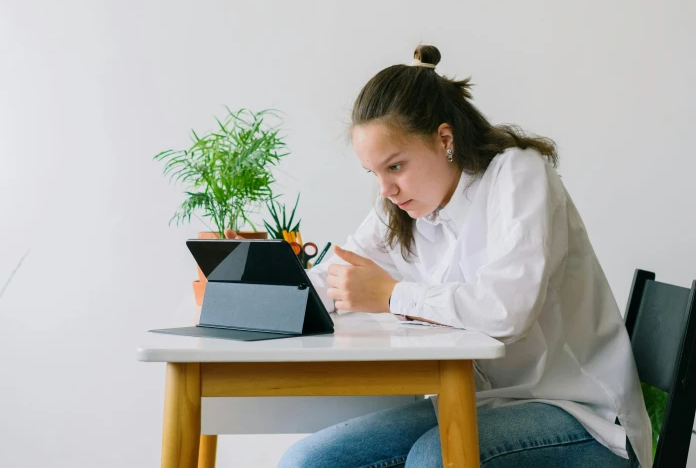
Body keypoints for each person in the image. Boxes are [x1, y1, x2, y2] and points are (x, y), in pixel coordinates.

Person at [227, 45, 652, 468]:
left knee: (435, 457)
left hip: (581, 415)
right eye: (374, 173)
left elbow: (507, 312)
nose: (385, 189)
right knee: (309, 461)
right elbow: (337, 276)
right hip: (479, 401)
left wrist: (392, 295)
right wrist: (257, 303)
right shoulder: (403, 208)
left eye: (395, 166)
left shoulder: (518, 175)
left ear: (445, 139)